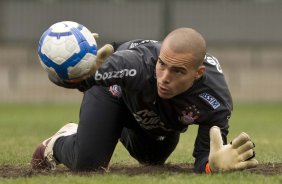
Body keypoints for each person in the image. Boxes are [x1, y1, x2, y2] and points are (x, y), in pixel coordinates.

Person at [31, 28, 258, 173]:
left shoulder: (215, 101)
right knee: (88, 164)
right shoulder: (136, 64)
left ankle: (105, 128)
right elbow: (82, 82)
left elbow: (204, 160)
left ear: (198, 74)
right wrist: (72, 71)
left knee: (152, 159)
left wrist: (213, 166)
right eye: (162, 65)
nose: (164, 78)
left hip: (154, 117)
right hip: (114, 93)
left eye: (177, 71)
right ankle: (59, 143)